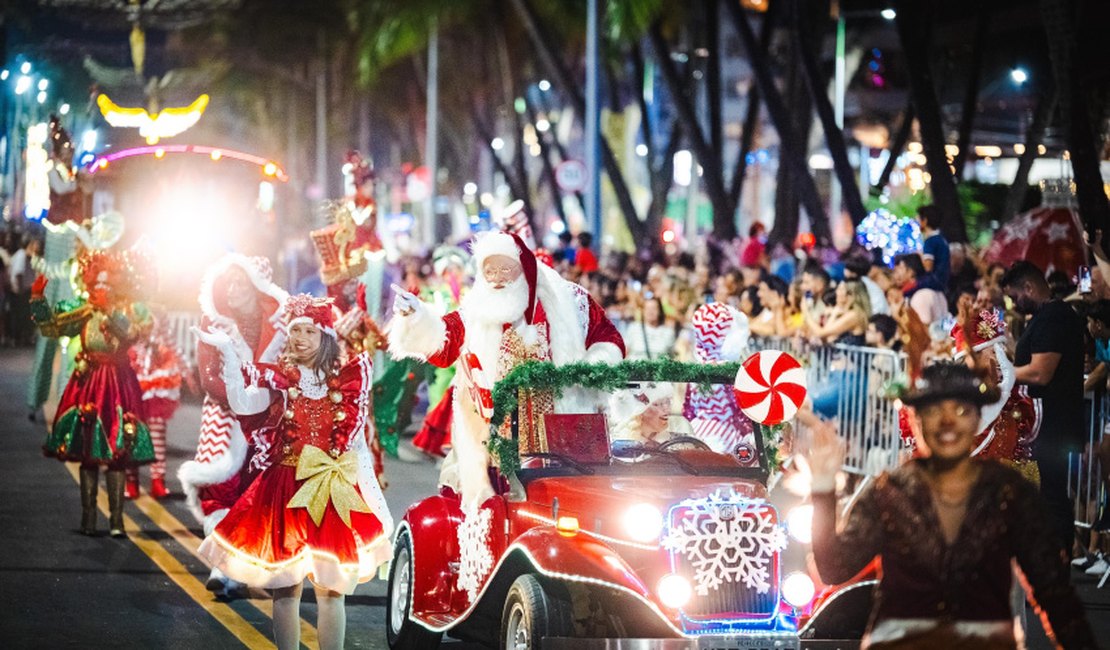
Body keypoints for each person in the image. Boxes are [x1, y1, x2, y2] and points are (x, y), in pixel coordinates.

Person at [805, 362, 1096, 649]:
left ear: (977, 418)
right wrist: (822, 487)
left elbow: (1055, 595)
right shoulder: (889, 494)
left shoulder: (1008, 493)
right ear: (916, 420)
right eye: (933, 411)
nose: (947, 422)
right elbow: (834, 568)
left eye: (961, 410)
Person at [196, 295, 392, 650]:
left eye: (309, 332)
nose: (299, 338)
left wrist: (374, 501)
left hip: (330, 492)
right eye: (295, 330)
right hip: (284, 490)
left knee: (331, 591)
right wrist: (228, 353)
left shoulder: (346, 383)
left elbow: (357, 446)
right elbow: (242, 402)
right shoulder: (279, 380)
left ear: (326, 338)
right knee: (285, 589)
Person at [389, 230, 624, 506]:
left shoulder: (567, 301)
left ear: (522, 267)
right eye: (490, 270)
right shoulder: (477, 309)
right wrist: (415, 316)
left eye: (505, 269)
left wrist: (590, 370)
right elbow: (444, 342)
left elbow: (608, 338)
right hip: (498, 439)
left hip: (563, 432)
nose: (497, 278)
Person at [177, 254, 288, 596]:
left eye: (241, 282)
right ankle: (222, 565)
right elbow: (208, 376)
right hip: (225, 416)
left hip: (266, 420)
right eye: (229, 282)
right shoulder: (214, 323)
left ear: (256, 286)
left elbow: (287, 368)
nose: (233, 289)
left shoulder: (281, 328)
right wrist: (240, 400)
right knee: (220, 489)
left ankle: (240, 567)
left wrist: (265, 400)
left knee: (256, 491)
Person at [32, 249, 156, 536]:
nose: (101, 289)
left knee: (116, 451)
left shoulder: (128, 310)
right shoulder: (84, 309)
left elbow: (135, 334)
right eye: (97, 284)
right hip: (87, 385)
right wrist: (38, 300)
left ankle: (116, 521)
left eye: (107, 284)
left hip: (118, 384)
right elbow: (52, 327)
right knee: (87, 451)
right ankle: (88, 518)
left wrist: (111, 312)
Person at [1002, 261, 1085, 553]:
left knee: (1052, 494)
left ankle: (1058, 561)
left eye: (1014, 296)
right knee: (1047, 492)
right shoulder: (1045, 317)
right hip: (1048, 422)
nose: (1013, 303)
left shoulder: (1055, 318)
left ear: (1029, 287)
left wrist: (1004, 373)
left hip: (1053, 424)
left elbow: (1040, 372)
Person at [126, 311, 185, 498]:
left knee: (157, 430)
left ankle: (158, 480)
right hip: (132, 376)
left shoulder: (160, 313)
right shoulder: (126, 309)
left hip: (156, 377)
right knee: (131, 431)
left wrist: (187, 372)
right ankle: (131, 481)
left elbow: (171, 344)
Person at [893, 253, 947, 328]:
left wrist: (897, 318)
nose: (897, 272)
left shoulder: (920, 295)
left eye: (901, 268)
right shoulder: (930, 288)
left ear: (911, 272)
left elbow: (923, 328)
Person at [624, 295, 677, 360]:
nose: (650, 311)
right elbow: (625, 352)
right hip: (635, 369)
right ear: (643, 311)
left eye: (654, 308)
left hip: (658, 369)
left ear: (660, 311)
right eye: (647, 308)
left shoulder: (668, 332)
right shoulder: (633, 328)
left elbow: (672, 357)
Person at [916, 204, 950, 290]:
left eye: (919, 220)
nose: (918, 223)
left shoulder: (930, 241)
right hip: (943, 284)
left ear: (925, 221)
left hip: (932, 283)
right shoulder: (942, 239)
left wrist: (919, 255)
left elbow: (928, 267)